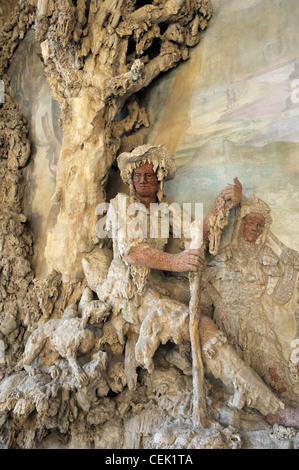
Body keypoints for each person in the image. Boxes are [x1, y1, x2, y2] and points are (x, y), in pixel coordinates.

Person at [96, 144, 299, 428]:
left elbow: (196, 235)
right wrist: (177, 261)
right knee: (201, 324)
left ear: (160, 178)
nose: (143, 179)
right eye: (137, 174)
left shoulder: (167, 211)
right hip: (134, 298)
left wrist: (222, 203)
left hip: (160, 285)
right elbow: (133, 252)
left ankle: (245, 373)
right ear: (130, 179)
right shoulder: (120, 206)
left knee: (219, 297)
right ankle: (271, 408)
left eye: (149, 174)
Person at [204, 197, 299, 405]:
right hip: (226, 322)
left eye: (259, 225)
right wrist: (218, 302)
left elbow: (279, 297)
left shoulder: (267, 256)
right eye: (250, 222)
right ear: (241, 223)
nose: (254, 228)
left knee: (277, 376)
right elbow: (203, 283)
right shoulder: (224, 255)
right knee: (229, 382)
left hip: (257, 324)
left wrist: (291, 270)